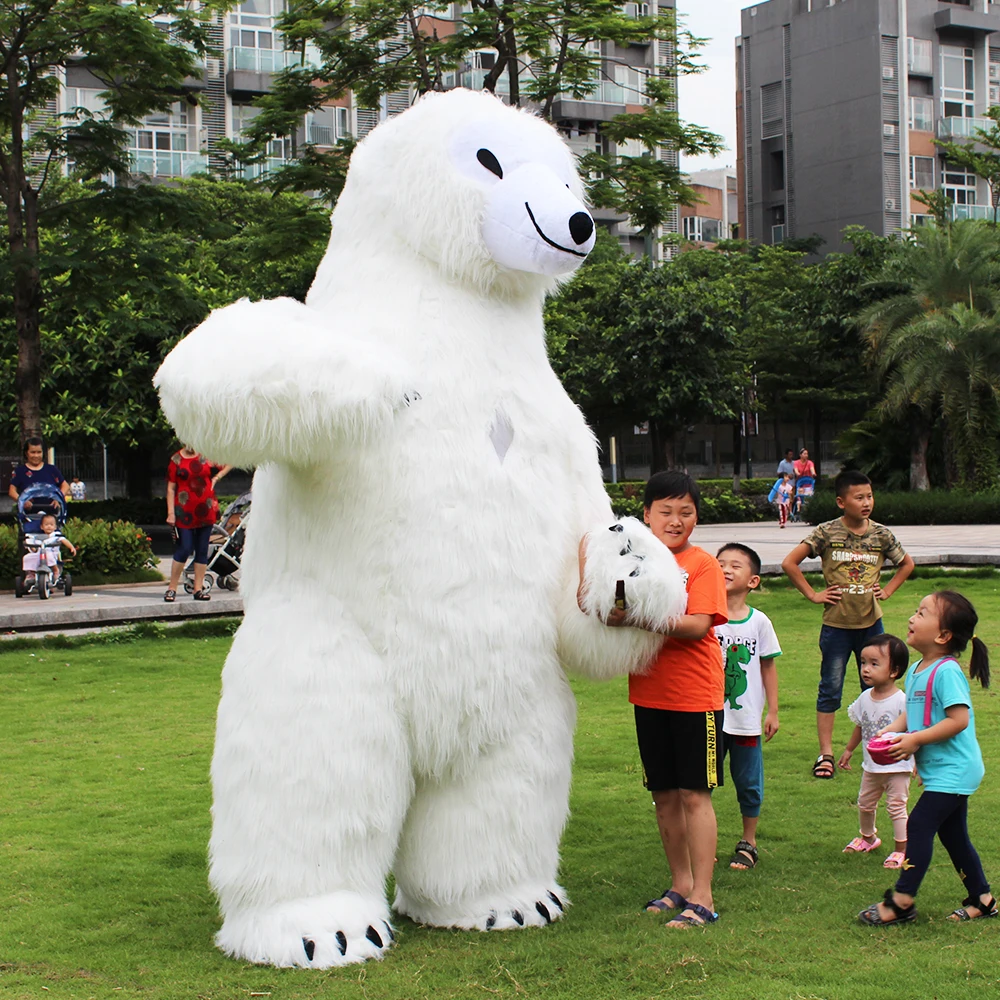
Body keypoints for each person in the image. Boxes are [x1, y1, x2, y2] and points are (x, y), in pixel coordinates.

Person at [623, 472, 728, 928]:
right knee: (663, 795)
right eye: (665, 511)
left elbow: (697, 624)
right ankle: (679, 883)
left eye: (685, 512)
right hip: (648, 693)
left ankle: (702, 895)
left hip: (695, 696)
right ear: (645, 515)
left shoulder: (702, 564)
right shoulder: (633, 561)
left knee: (693, 794)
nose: (675, 520)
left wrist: (637, 618)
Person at [858, 590, 993, 925]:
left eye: (922, 613)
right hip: (941, 770)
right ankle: (984, 900)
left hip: (956, 769)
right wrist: (892, 731)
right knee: (953, 836)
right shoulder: (918, 668)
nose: (911, 618)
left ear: (943, 635)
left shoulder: (946, 671)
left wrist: (915, 740)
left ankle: (902, 900)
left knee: (918, 825)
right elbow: (915, 713)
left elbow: (958, 720)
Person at [781, 470, 915, 780]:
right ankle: (825, 755)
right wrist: (813, 594)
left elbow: (907, 563)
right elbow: (790, 562)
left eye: (869, 496)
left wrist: (889, 589)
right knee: (830, 690)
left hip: (871, 626)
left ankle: (879, 748)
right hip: (836, 626)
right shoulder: (826, 532)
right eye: (859, 497)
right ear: (842, 502)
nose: (866, 502)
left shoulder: (881, 534)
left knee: (878, 688)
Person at [714, 543, 781, 872]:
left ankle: (749, 841)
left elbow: (768, 666)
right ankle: (703, 842)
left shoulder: (760, 623)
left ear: (753, 581)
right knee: (703, 781)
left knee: (748, 781)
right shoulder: (705, 616)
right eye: (721, 563)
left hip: (745, 718)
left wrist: (773, 711)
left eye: (735, 565)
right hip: (709, 716)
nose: (726, 569)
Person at [837, 634, 912, 869]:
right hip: (871, 766)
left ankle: (902, 849)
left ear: (894, 671)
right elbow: (861, 725)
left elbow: (914, 732)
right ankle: (868, 838)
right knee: (865, 803)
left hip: (898, 767)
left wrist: (917, 761)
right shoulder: (864, 698)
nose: (866, 669)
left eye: (874, 663)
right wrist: (849, 749)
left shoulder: (902, 701)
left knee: (896, 806)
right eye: (863, 662)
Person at [164, 446, 232, 602]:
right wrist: (170, 513)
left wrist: (217, 477)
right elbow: (170, 488)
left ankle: (198, 589)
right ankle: (172, 588)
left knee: (202, 549)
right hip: (184, 511)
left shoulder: (206, 454)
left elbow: (230, 462)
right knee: (185, 548)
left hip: (206, 509)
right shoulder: (176, 460)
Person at [8, 438, 70, 513]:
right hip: (29, 515)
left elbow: (65, 485)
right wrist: (22, 500)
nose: (36, 455)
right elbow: (12, 491)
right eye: (33, 452)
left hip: (51, 516)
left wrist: (58, 498)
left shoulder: (52, 469)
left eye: (39, 452)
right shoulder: (20, 471)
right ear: (26, 453)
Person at [22, 511, 77, 587]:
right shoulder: (36, 536)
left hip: (51, 553)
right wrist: (32, 548)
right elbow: (31, 543)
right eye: (46, 525)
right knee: (27, 557)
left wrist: (71, 547)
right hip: (39, 554)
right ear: (41, 527)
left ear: (55, 527)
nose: (49, 526)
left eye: (51, 525)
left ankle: (55, 570)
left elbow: (64, 540)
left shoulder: (55, 535)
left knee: (49, 555)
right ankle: (31, 573)